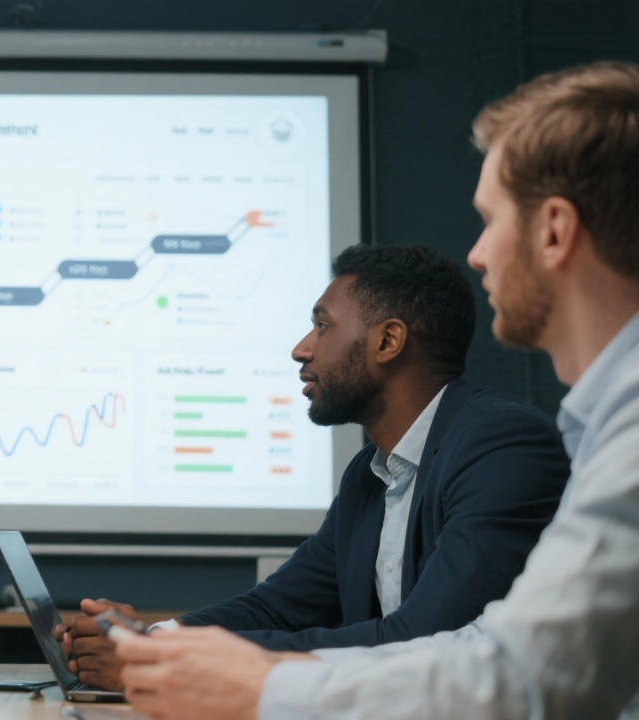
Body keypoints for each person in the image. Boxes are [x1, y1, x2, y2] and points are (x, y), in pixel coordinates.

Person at [112, 60, 639, 720]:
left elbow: (522, 675)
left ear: (555, 230)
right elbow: (484, 646)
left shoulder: (549, 436)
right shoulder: (380, 471)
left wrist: (261, 684)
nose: (476, 255)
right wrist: (167, 645)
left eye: (490, 219)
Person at [62, 244, 570, 691]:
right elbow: (278, 607)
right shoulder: (368, 477)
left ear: (388, 342)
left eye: (322, 325)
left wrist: (166, 660)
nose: (302, 349)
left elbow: (423, 642)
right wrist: (154, 639)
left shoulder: (502, 444)